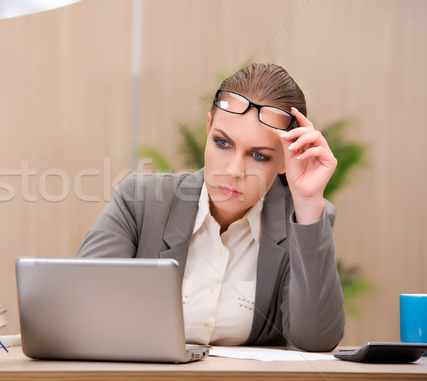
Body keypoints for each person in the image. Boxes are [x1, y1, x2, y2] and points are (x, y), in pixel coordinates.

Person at [77, 63, 345, 352]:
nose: (233, 170)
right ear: (208, 129)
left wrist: (307, 204)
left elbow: (317, 339)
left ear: (286, 161)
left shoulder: (305, 219)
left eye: (259, 155)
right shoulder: (139, 201)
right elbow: (79, 311)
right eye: (222, 142)